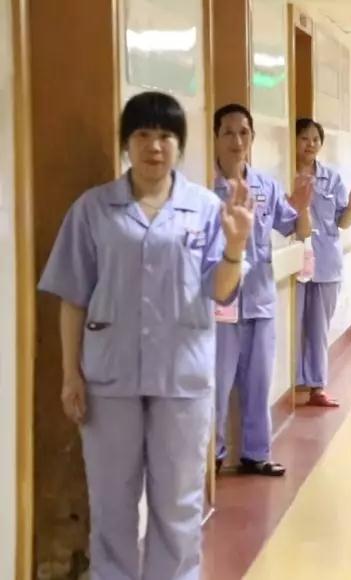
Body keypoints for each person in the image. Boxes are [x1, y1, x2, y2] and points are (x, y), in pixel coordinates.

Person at [38, 91, 252, 580]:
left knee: (178, 505)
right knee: (111, 502)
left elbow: (221, 291)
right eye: (142, 135)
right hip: (110, 379)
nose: (154, 146)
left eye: (165, 136)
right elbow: (73, 296)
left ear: (180, 145)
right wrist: (70, 374)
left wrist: (236, 245)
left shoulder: (206, 208)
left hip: (182, 377)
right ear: (126, 144)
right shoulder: (94, 209)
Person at [212, 103, 313, 476]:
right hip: (219, 305)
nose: (237, 141)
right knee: (216, 385)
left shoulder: (266, 186)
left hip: (259, 300)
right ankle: (212, 456)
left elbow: (298, 230)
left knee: (259, 383)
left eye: (244, 132)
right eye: (228, 132)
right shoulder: (204, 190)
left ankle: (256, 453)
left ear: (252, 137)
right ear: (215, 138)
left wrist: (303, 208)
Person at [294, 118, 351, 406]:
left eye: (315, 139)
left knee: (318, 328)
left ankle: (317, 386)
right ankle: (293, 383)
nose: (310, 144)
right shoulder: (284, 174)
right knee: (293, 327)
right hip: (294, 262)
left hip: (325, 262)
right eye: (304, 138)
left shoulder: (331, 178)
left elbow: (343, 222)